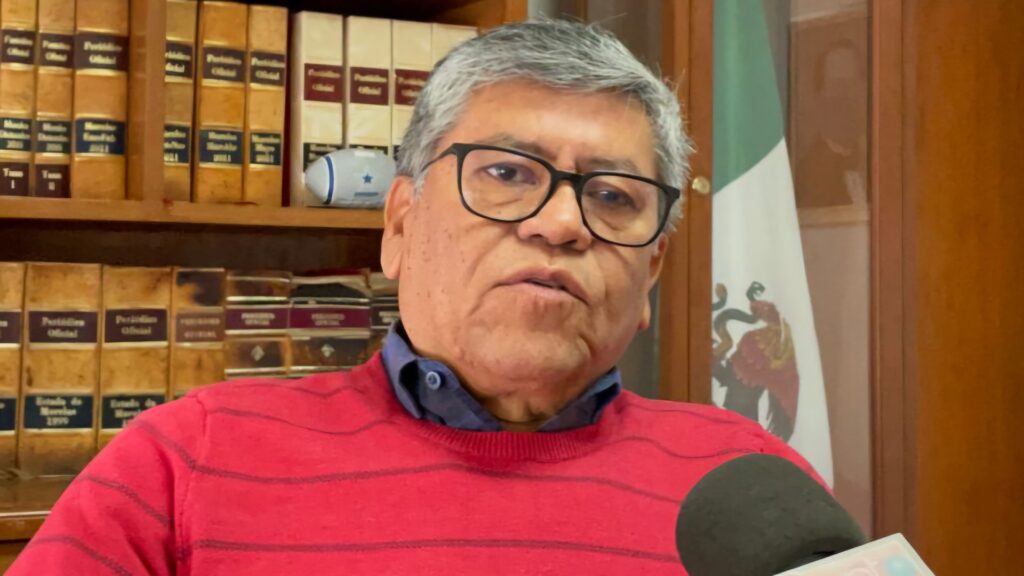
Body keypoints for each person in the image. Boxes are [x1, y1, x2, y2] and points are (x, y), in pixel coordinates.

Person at [9, 19, 823, 575]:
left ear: (652, 273)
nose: (561, 222)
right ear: (399, 224)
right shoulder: (185, 460)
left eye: (613, 196)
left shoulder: (751, 487)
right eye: (506, 173)